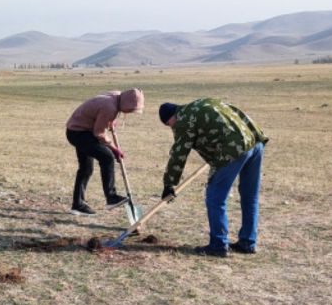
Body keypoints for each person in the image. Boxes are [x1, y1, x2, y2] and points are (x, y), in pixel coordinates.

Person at [159, 99, 269, 257]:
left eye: (170, 125)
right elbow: (237, 113)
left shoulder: (183, 120)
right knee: (249, 196)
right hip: (254, 142)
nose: (172, 128)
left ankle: (218, 244)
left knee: (215, 197)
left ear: (171, 118)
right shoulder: (204, 104)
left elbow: (179, 153)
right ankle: (247, 242)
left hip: (233, 149)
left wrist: (169, 184)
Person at [65, 89, 144, 215]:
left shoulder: (117, 96)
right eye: (130, 109)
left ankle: (77, 204)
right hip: (79, 133)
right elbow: (99, 133)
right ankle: (111, 197)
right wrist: (115, 150)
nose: (129, 112)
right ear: (125, 103)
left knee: (86, 168)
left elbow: (101, 113)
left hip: (79, 129)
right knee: (107, 157)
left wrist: (111, 121)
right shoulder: (110, 107)